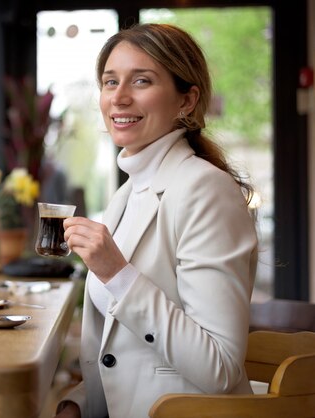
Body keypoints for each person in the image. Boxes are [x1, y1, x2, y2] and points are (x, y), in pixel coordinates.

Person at [55, 23, 258, 418]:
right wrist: (78, 402)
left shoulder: (206, 189)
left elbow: (219, 367)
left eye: (141, 81)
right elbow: (125, 351)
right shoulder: (126, 195)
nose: (119, 97)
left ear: (187, 100)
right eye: (110, 81)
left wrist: (118, 273)